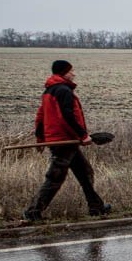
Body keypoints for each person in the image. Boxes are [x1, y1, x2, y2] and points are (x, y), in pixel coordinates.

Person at [22, 60, 111, 222]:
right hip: (64, 141)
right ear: (63, 72)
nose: (74, 73)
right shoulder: (63, 91)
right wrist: (83, 136)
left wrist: (41, 137)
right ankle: (33, 212)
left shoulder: (49, 91)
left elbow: (40, 117)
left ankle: (96, 207)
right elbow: (67, 117)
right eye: (71, 71)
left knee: (85, 173)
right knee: (55, 178)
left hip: (63, 140)